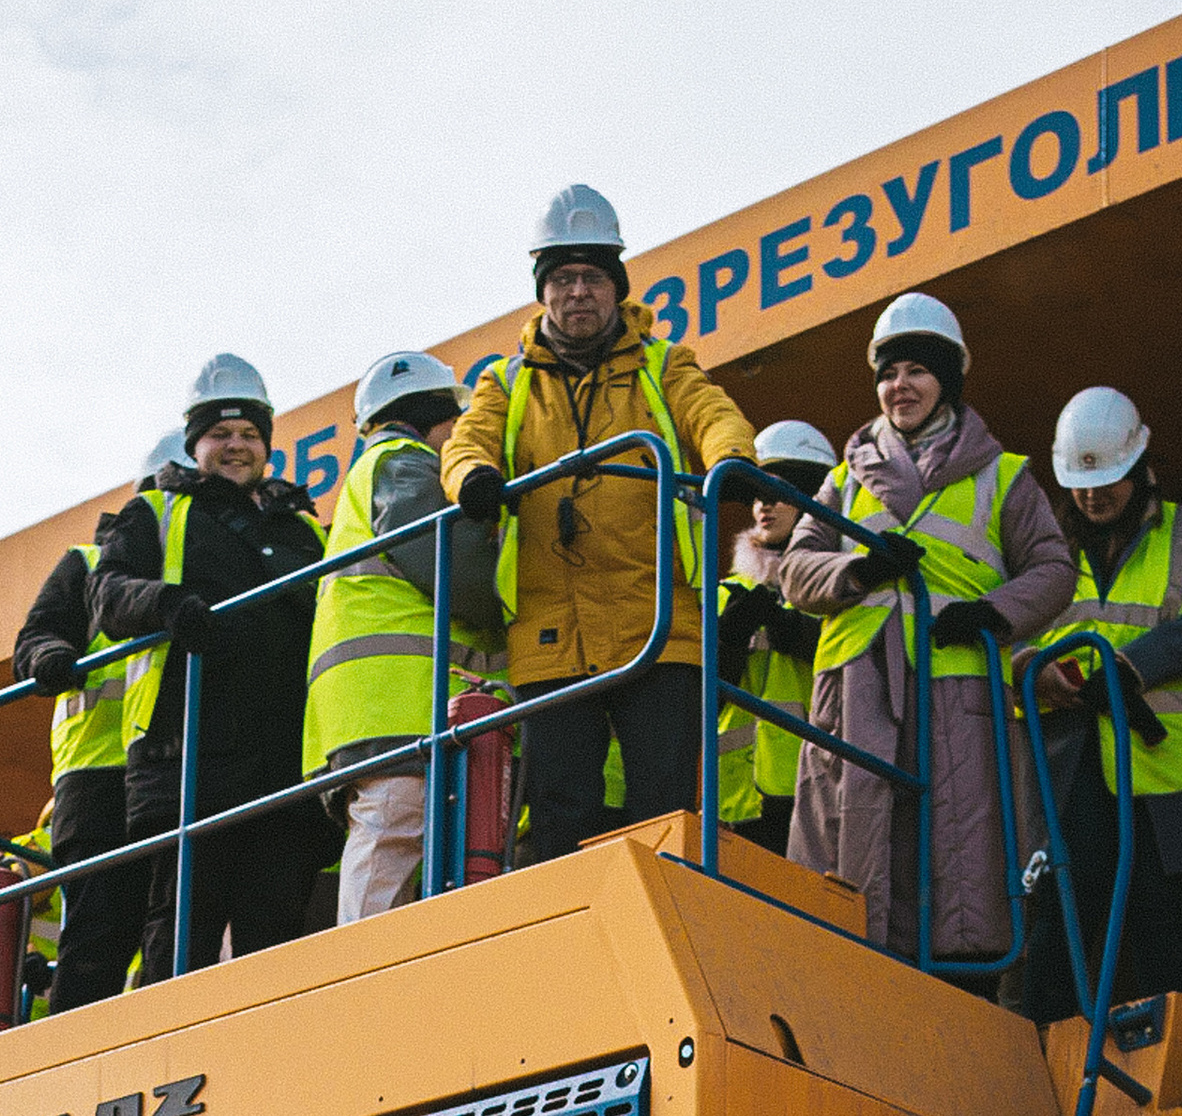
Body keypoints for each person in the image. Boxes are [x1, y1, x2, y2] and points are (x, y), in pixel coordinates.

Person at [442, 185, 755, 861]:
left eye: (590, 276)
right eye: (562, 278)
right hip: (551, 633)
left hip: (660, 623)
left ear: (615, 287)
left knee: (665, 806)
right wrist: (471, 479)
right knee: (560, 810)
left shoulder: (665, 363)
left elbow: (714, 415)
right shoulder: (506, 380)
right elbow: (468, 442)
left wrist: (732, 460)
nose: (577, 291)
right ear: (542, 292)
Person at [774, 293, 1074, 969]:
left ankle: (960, 992)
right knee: (854, 854)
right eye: (887, 373)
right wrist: (858, 570)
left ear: (948, 380)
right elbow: (795, 571)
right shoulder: (843, 477)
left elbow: (1054, 569)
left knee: (958, 862)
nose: (898, 386)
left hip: (956, 693)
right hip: (856, 696)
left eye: (915, 370)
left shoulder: (1005, 476)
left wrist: (992, 614)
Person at [91, 359, 331, 981]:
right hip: (191, 759)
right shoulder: (155, 513)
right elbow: (107, 595)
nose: (237, 446)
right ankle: (155, 1062)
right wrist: (167, 605)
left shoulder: (303, 530)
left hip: (286, 760)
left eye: (250, 434)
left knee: (274, 935)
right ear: (196, 444)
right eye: (221, 435)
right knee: (180, 935)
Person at [1023, 388, 1182, 1025]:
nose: (1092, 497)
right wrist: (1033, 675)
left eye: (1107, 482)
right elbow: (1015, 635)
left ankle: (1165, 1063)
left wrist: (1129, 667)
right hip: (1070, 764)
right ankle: (1046, 1069)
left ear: (1141, 467)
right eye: (1081, 485)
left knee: (1160, 926)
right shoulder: (1043, 552)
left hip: (1160, 767)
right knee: (1059, 926)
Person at [303, 349, 505, 921]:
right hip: (395, 707)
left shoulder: (373, 470)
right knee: (395, 832)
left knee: (407, 843)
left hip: (380, 706)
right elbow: (465, 578)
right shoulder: (404, 463)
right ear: (435, 414)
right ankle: (361, 974)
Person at [15, 431, 186, 1017]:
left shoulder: (201, 563)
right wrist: (50, 659)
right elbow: (35, 638)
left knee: (167, 929)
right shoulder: (88, 565)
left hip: (165, 766)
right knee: (97, 940)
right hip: (97, 779)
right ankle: (74, 1057)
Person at [716, 420, 835, 855]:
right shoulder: (725, 594)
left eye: (779, 491)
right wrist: (726, 643)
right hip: (735, 802)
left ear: (812, 498)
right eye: (756, 494)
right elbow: (700, 703)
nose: (763, 504)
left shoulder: (837, 584)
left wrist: (794, 631)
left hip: (812, 788)